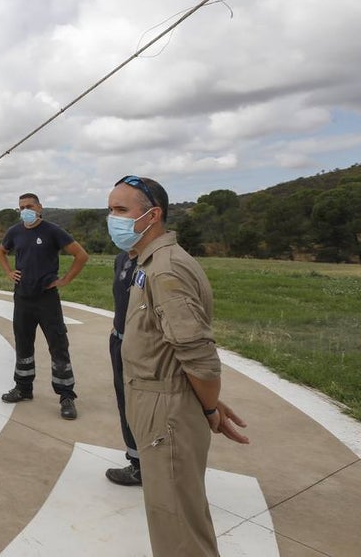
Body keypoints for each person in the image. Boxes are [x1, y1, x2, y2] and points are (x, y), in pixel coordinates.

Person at [108, 175, 249, 556]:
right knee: (172, 514)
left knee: (178, 527)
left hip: (165, 411)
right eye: (110, 210)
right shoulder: (149, 262)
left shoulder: (166, 270)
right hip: (161, 399)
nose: (112, 218)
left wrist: (207, 406)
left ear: (152, 215)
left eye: (120, 210)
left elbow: (198, 356)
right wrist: (201, 399)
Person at [0, 192, 89, 419]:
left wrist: (64, 280)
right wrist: (9, 272)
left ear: (39, 208)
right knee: (23, 345)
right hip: (22, 298)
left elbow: (81, 255)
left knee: (58, 346)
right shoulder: (15, 232)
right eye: (21, 207)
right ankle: (23, 388)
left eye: (29, 206)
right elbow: (1, 251)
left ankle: (66, 396)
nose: (25, 211)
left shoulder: (52, 231)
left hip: (47, 299)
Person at [104, 248, 142, 486]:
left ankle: (151, 465)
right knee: (126, 403)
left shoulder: (157, 262)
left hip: (142, 347)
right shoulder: (122, 258)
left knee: (144, 406)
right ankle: (138, 463)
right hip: (120, 340)